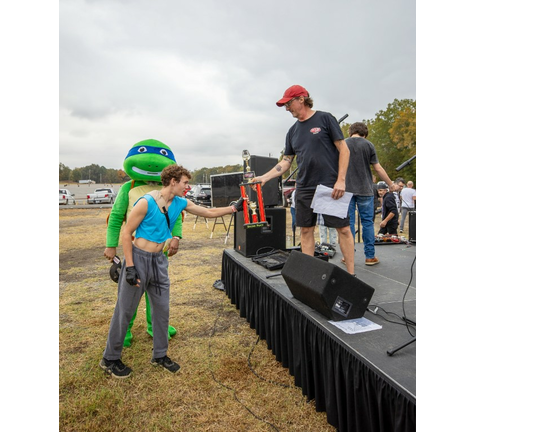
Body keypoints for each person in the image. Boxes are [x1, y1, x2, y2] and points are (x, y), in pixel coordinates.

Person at [100, 164, 245, 378]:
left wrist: (233, 208)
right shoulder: (146, 202)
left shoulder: (180, 203)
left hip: (160, 261)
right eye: (185, 183)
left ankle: (160, 355)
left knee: (161, 310)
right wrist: (129, 267)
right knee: (125, 311)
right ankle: (110, 359)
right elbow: (126, 233)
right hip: (138, 260)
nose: (188, 187)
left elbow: (208, 212)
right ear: (173, 181)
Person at [252, 84, 356, 275]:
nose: (286, 108)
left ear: (301, 99)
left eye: (288, 103)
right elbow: (286, 162)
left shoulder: (325, 118)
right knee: (306, 231)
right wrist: (264, 178)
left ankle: (352, 275)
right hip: (305, 187)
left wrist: (341, 180)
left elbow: (344, 149)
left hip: (330, 185)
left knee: (343, 229)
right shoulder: (292, 131)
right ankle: (309, 276)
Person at [104, 139, 180, 346]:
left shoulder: (168, 190)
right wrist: (111, 244)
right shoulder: (129, 187)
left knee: (156, 293)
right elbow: (117, 217)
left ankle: (154, 327)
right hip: (135, 250)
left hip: (159, 250)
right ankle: (124, 331)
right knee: (130, 293)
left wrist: (176, 237)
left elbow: (176, 217)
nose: (154, 165)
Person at [344, 122, 396, 266]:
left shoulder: (343, 144)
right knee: (367, 223)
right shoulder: (368, 145)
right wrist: (391, 184)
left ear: (350, 132)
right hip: (365, 190)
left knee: (348, 223)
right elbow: (378, 168)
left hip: (346, 190)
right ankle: (370, 257)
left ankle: (347, 256)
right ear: (365, 133)